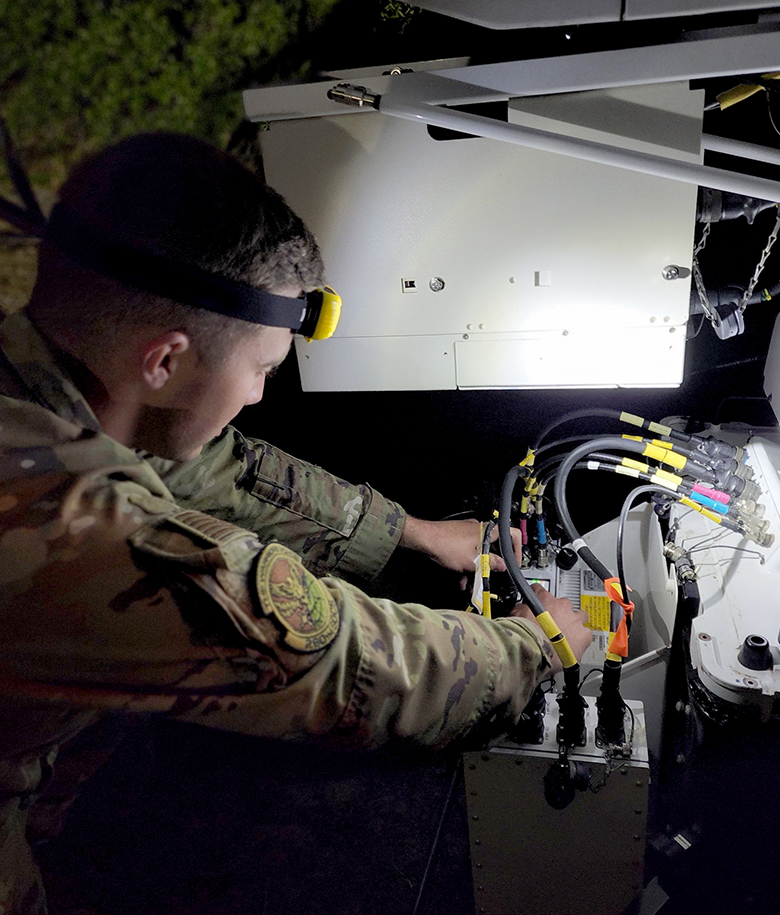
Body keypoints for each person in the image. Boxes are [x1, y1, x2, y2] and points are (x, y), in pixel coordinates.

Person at [0, 132, 591, 914]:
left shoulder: (40, 382)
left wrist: (410, 531)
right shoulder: (68, 525)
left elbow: (221, 469)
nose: (255, 398)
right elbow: (339, 665)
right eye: (262, 371)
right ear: (164, 362)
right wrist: (537, 641)